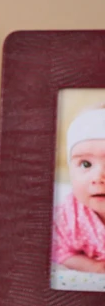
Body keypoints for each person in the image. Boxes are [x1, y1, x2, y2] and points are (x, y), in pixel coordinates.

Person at [52, 104, 105, 273]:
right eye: (86, 164)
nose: (98, 177)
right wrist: (95, 267)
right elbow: (59, 251)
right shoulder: (67, 216)